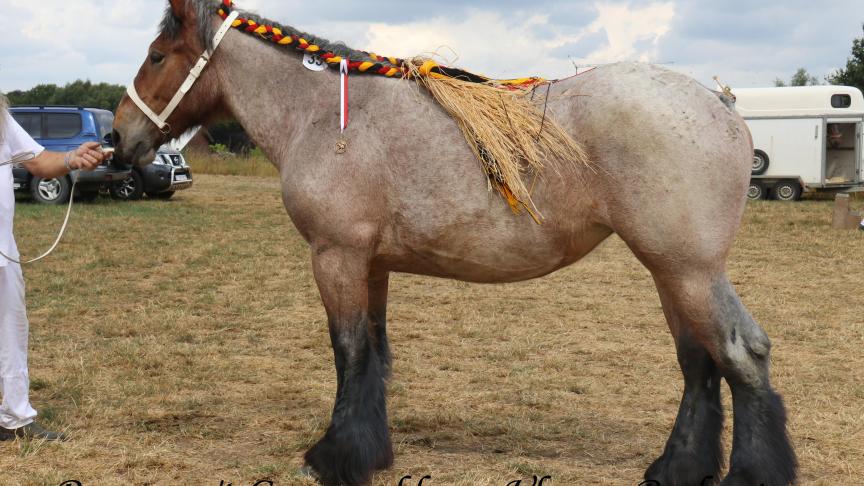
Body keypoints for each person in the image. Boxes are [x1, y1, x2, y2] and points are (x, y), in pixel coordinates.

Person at [0, 92, 107, 441]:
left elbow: (40, 161)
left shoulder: (1, 119)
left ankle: (16, 418)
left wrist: (73, 158)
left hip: (4, 252)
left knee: (11, 330)